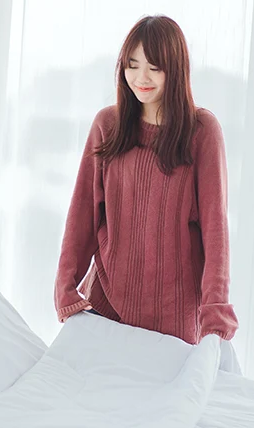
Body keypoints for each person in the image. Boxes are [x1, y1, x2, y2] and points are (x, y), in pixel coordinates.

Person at [53, 15, 238, 345]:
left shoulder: (202, 132)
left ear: (176, 69)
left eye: (155, 67)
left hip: (175, 316)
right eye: (132, 65)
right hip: (106, 304)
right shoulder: (107, 125)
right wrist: (66, 287)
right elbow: (82, 214)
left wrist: (215, 311)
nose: (141, 78)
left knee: (163, 396)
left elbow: (215, 231)